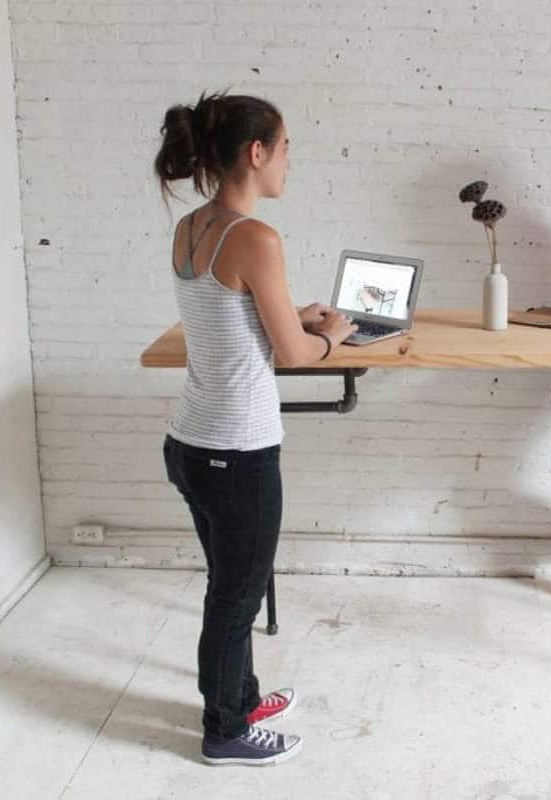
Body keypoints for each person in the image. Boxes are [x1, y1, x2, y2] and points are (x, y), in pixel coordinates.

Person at [153, 92, 356, 765]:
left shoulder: (191, 226)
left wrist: (288, 312)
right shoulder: (256, 237)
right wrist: (330, 338)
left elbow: (223, 312)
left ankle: (238, 697)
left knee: (229, 583)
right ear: (256, 152)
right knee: (234, 599)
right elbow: (292, 356)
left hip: (189, 442)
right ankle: (225, 732)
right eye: (287, 145)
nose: (291, 160)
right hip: (236, 454)